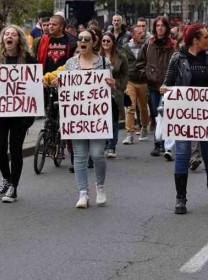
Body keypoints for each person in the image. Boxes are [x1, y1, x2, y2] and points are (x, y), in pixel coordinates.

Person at [161, 24, 208, 214]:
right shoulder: (178, 58)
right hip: (184, 116)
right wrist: (164, 89)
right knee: (183, 154)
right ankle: (180, 198)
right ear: (195, 39)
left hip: (207, 116)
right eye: (206, 37)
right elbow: (168, 82)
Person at [0, 25, 37, 203]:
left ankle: (13, 186)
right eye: (7, 34)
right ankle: (6, 178)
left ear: (19, 39)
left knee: (15, 150)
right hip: (0, 114)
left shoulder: (27, 59)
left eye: (14, 34)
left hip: (20, 116)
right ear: (3, 38)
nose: (10, 36)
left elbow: (34, 83)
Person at [62, 29, 115, 208]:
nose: (83, 41)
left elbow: (111, 89)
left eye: (87, 39)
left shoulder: (104, 63)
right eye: (80, 39)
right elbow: (66, 87)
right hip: (77, 118)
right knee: (80, 155)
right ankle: (83, 193)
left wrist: (112, 84)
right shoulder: (70, 63)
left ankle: (100, 188)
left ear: (94, 43)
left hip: (97, 117)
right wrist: (58, 84)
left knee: (98, 154)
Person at [134, 17, 176, 158]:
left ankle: (162, 143)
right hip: (153, 85)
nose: (160, 28)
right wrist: (147, 74)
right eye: (157, 25)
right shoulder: (149, 44)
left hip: (167, 87)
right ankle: (158, 143)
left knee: (163, 113)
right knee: (156, 115)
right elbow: (140, 63)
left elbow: (178, 64)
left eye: (162, 25)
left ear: (166, 28)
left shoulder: (173, 45)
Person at [99, 32, 128, 159]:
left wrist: (118, 85)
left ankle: (112, 146)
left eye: (108, 41)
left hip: (115, 92)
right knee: (102, 119)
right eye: (103, 41)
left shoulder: (121, 56)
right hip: (99, 93)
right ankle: (104, 142)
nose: (105, 43)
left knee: (114, 120)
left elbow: (126, 74)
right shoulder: (96, 56)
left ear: (113, 43)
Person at [121, 25, 150, 144]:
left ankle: (144, 127)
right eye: (139, 33)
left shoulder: (147, 47)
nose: (142, 34)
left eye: (143, 32)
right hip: (130, 81)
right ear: (132, 35)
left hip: (143, 80)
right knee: (130, 107)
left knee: (143, 107)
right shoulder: (125, 48)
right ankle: (129, 134)